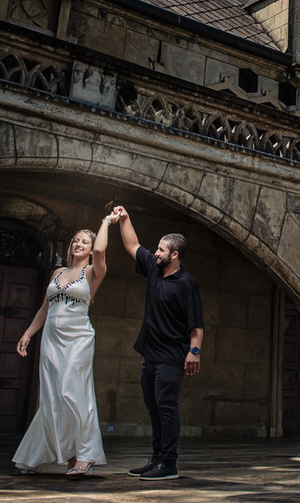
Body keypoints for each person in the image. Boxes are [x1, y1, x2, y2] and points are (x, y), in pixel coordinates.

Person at [11, 213, 115, 477]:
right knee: (52, 396)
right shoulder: (58, 272)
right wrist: (28, 333)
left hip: (78, 338)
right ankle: (70, 458)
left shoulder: (93, 272)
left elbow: (102, 249)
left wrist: (106, 222)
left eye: (84, 242)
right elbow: (46, 307)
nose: (78, 244)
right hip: (51, 340)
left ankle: (86, 455)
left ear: (91, 250)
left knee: (73, 392)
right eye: (75, 241)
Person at [113, 205, 204, 481]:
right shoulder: (154, 269)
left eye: (162, 250)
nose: (156, 253)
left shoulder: (186, 283)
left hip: (171, 357)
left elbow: (197, 325)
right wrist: (125, 218)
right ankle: (156, 459)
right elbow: (132, 245)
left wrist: (194, 352)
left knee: (167, 407)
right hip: (149, 354)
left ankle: (169, 463)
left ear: (174, 255)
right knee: (153, 408)